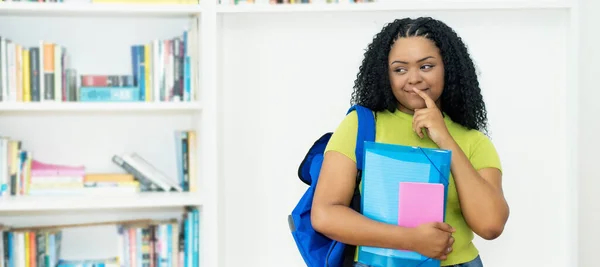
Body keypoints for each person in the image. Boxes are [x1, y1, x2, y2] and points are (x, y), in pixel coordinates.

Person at [310, 17, 510, 267]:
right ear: (386, 75)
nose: (413, 78)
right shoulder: (361, 126)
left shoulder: (473, 140)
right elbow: (325, 214)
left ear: (448, 68)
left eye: (426, 66)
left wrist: (444, 138)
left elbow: (491, 225)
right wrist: (411, 239)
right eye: (400, 69)